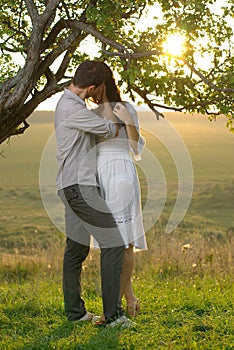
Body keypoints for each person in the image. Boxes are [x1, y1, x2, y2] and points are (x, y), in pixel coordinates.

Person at [55, 60, 133, 327]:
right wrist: (123, 117)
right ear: (91, 87)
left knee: (75, 250)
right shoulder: (72, 109)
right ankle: (113, 316)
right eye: (98, 89)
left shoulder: (68, 103)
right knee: (113, 242)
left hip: (69, 185)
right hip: (80, 187)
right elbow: (110, 130)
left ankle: (75, 314)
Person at [92, 62, 147, 319]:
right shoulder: (91, 114)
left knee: (124, 243)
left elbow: (136, 147)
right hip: (103, 176)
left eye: (94, 85)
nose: (90, 90)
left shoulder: (126, 109)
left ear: (105, 84)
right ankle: (131, 299)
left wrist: (127, 122)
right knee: (110, 244)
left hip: (123, 174)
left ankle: (110, 309)